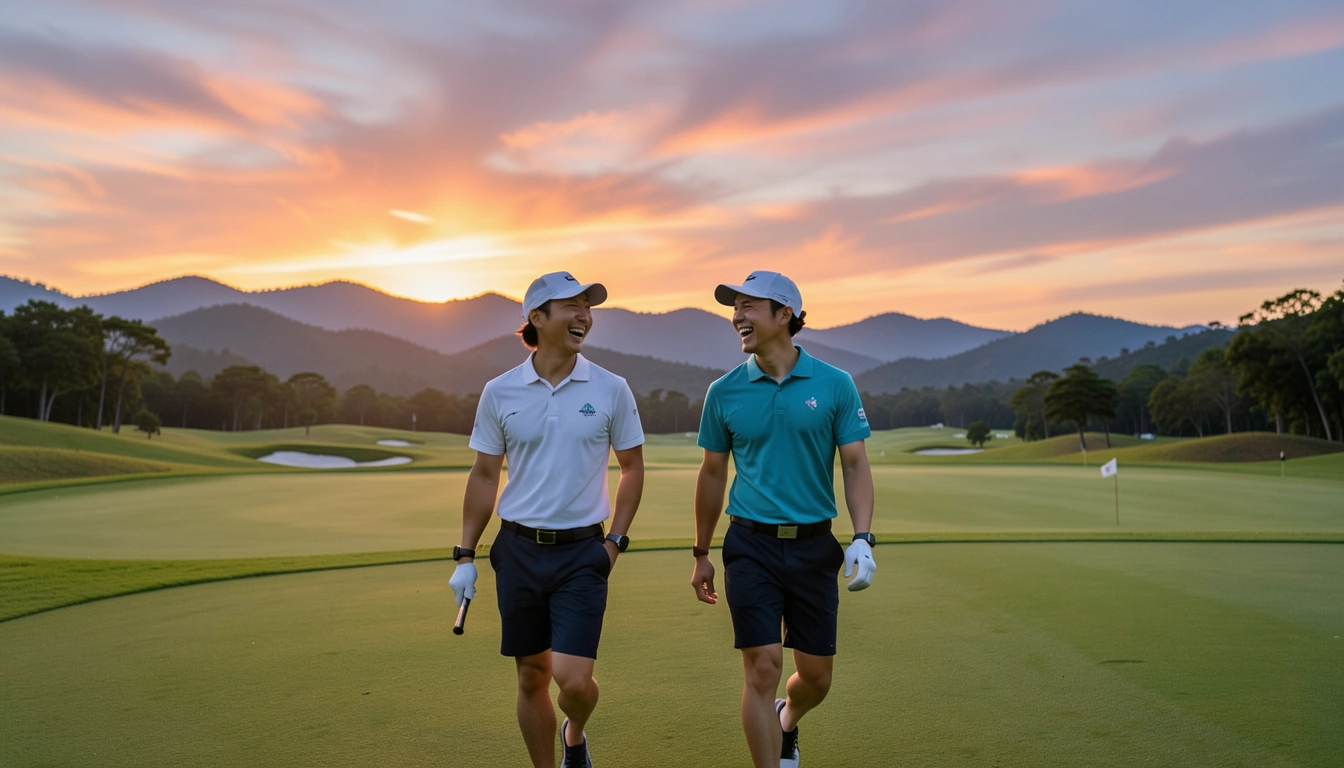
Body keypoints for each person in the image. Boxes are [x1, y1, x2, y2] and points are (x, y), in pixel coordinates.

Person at [449, 271, 645, 768]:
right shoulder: (500, 391)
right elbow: (484, 474)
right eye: (571, 306)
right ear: (537, 317)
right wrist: (465, 555)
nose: (584, 316)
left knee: (574, 683)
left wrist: (615, 542)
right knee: (531, 675)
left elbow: (632, 467)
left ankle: (573, 733)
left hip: (583, 553)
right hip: (517, 550)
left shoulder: (611, 388)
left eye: (588, 307)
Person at [690, 270, 877, 768]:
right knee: (762, 668)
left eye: (748, 306)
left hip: (814, 546)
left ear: (784, 314)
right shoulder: (724, 391)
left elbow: (855, 464)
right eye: (735, 308)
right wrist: (701, 552)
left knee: (816, 678)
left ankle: (786, 719)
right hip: (750, 544)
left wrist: (863, 537)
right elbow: (712, 473)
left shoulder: (835, 384)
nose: (737, 316)